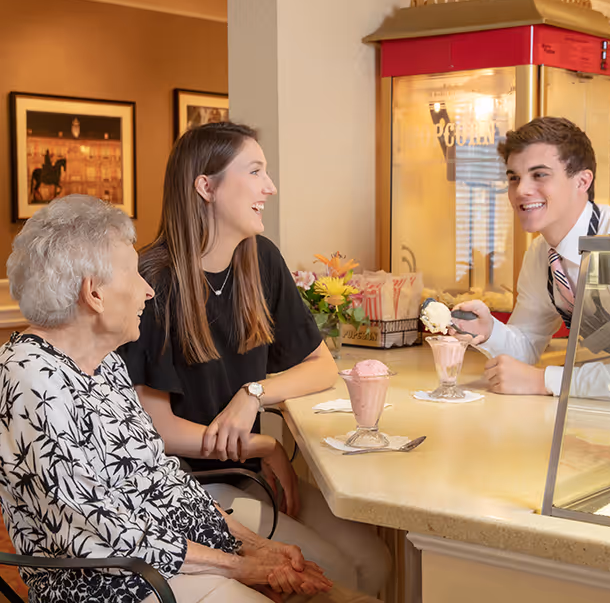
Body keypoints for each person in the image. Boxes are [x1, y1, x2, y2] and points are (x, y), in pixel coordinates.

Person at [0, 194, 377, 603]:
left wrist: (257, 548)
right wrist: (242, 566)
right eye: (132, 275)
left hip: (166, 562)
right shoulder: (28, 375)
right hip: (115, 585)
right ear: (94, 293)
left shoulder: (103, 363)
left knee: (338, 595)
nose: (147, 291)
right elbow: (99, 526)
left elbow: (163, 478)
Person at [118, 122, 391, 595]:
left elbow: (322, 366)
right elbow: (160, 432)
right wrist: (262, 447)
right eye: (256, 170)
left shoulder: (260, 260)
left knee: (377, 562)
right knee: (337, 577)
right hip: (191, 492)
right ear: (206, 186)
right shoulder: (152, 281)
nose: (271, 186)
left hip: (246, 475)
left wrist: (253, 394)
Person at [453, 117, 610, 400]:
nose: (521, 190)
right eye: (514, 177)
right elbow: (526, 346)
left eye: (539, 175)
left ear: (582, 181)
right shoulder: (542, 255)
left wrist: (543, 381)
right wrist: (488, 330)